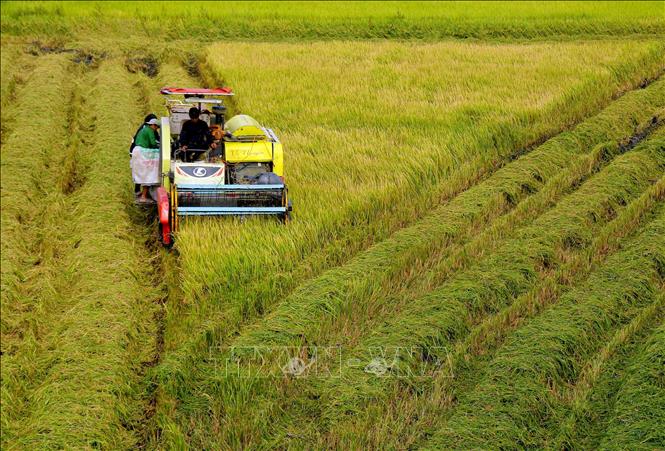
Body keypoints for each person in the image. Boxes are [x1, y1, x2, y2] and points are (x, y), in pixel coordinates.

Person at [130, 118, 161, 203]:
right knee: (148, 174)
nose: (156, 129)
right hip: (142, 153)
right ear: (153, 125)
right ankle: (143, 196)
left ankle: (139, 192)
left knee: (142, 173)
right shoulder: (150, 131)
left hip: (136, 151)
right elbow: (152, 143)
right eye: (156, 127)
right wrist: (159, 146)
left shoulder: (143, 129)